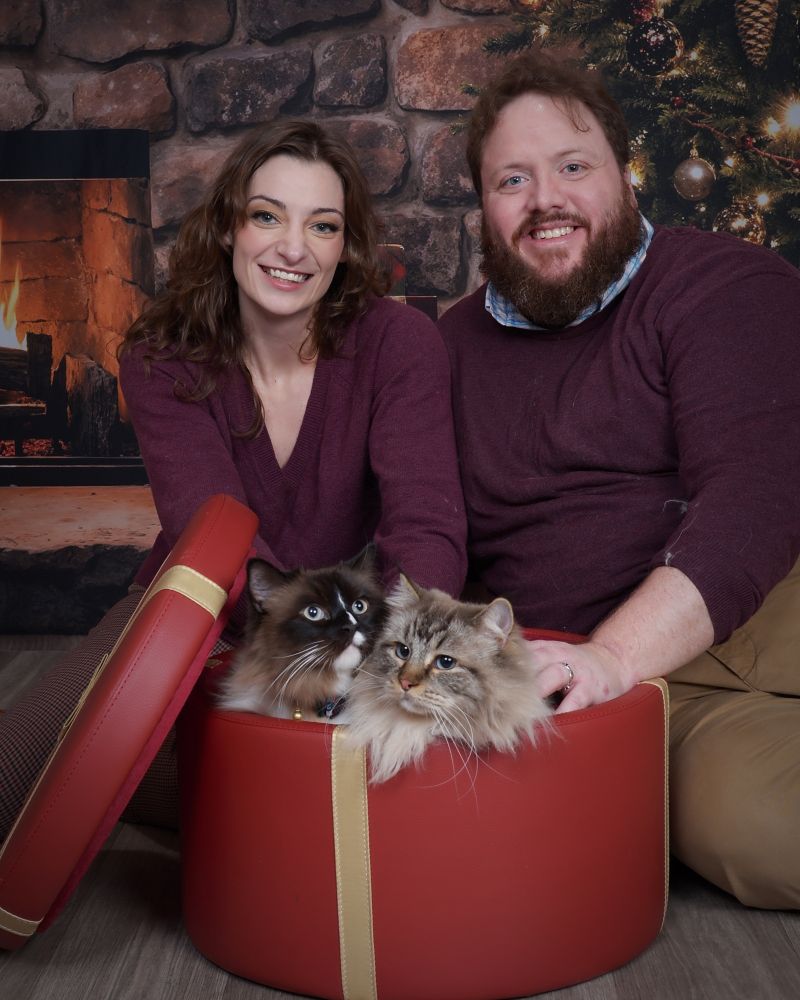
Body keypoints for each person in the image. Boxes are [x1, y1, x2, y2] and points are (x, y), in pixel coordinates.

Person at [0, 120, 467, 839]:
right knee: (45, 751)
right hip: (205, 620)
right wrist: (298, 674)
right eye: (266, 215)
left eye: (323, 225)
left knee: (294, 798)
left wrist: (383, 658)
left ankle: (238, 799)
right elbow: (211, 537)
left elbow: (426, 524)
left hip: (366, 640)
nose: (292, 247)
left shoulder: (400, 345)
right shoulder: (161, 356)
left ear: (345, 249)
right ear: (226, 228)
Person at [438, 49, 800, 909]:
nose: (545, 201)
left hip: (727, 643)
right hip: (562, 681)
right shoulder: (445, 347)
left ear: (626, 175)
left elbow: (755, 499)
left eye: (573, 166)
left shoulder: (722, 284)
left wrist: (610, 658)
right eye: (512, 180)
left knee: (756, 830)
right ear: (483, 208)